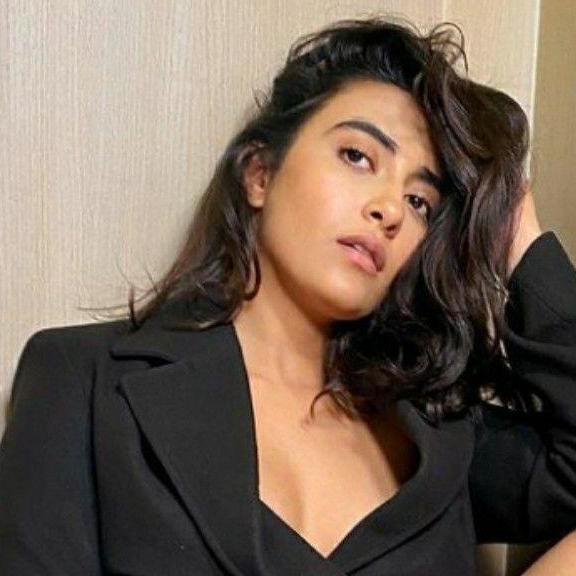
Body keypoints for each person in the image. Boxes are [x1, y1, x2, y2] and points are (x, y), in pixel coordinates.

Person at [1, 16, 575, 576]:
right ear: (259, 174)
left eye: (419, 201)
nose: (390, 209)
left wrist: (516, 235)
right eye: (357, 156)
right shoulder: (85, 379)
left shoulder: (439, 429)